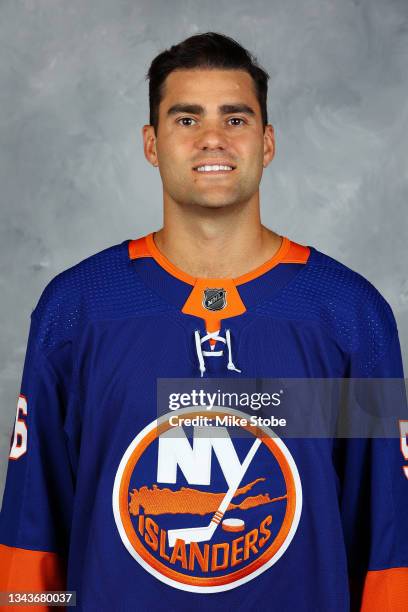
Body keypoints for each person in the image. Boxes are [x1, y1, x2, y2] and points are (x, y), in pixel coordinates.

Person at [0, 32, 407, 611]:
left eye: (235, 119)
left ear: (267, 143)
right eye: (186, 119)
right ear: (151, 142)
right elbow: (32, 544)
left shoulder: (347, 315)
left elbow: (388, 547)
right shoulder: (78, 309)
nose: (212, 137)